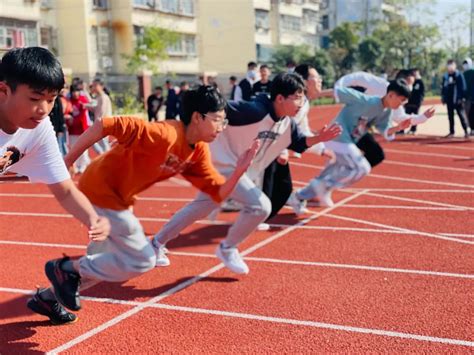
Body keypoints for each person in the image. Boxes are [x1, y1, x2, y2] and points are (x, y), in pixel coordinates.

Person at [35, 85, 259, 324]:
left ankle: (49, 298)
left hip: (121, 200)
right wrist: (68, 159)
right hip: (99, 190)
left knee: (105, 264)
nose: (221, 128)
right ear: (197, 117)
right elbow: (104, 123)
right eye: (218, 121)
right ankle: (65, 267)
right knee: (142, 259)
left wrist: (238, 172)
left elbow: (215, 191)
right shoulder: (164, 133)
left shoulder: (198, 151)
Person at [153, 73, 342, 274]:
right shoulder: (253, 111)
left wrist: (319, 138)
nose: (301, 102)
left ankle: (155, 244)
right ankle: (227, 248)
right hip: (221, 165)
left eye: (303, 97)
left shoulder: (288, 123)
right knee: (260, 206)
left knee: (200, 208)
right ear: (279, 98)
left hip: (233, 170)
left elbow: (299, 142)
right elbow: (219, 107)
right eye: (297, 97)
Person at [0, 47, 110, 325]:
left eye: (51, 99)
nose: (44, 109)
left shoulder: (39, 127)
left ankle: (46, 300)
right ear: (3, 91)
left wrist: (93, 220)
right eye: (35, 98)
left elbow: (64, 188)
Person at [288, 79, 413, 212]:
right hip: (337, 135)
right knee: (362, 168)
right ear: (391, 95)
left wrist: (398, 127)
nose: (402, 104)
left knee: (333, 170)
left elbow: (385, 130)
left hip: (348, 141)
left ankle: (298, 196)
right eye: (402, 100)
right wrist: (317, 94)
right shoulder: (366, 100)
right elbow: (339, 91)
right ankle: (325, 186)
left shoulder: (386, 112)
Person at [441, 60, 469, 138]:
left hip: (457, 99)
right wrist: (443, 97)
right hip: (449, 100)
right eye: (448, 65)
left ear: (455, 65)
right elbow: (443, 87)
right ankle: (451, 132)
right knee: (450, 116)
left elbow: (463, 87)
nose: (450, 66)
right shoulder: (445, 76)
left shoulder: (459, 75)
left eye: (451, 65)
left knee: (461, 115)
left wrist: (461, 97)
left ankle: (466, 131)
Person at [90, 78, 112, 154]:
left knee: (104, 144)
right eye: (93, 85)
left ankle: (108, 159)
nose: (94, 87)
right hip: (101, 124)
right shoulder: (99, 97)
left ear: (101, 86)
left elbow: (101, 112)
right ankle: (104, 157)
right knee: (98, 143)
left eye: (96, 85)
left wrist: (97, 124)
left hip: (103, 124)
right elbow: (97, 109)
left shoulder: (103, 97)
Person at [406, 68, 425, 134]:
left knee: (415, 116)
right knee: (406, 115)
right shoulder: (410, 82)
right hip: (409, 102)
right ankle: (402, 129)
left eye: (415, 73)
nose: (414, 74)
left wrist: (420, 101)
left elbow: (421, 93)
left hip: (416, 102)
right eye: (413, 73)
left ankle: (413, 129)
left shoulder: (420, 82)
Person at [462, 58, 474, 135]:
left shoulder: (473, 72)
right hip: (466, 98)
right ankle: (471, 128)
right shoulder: (463, 74)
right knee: (467, 114)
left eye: (466, 63)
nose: (465, 64)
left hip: (472, 97)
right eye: (464, 63)